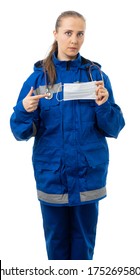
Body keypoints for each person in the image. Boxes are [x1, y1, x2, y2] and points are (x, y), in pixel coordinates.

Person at [10, 10, 125, 260]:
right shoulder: (39, 79)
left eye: (80, 34)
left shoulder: (96, 77)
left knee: (84, 248)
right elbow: (19, 132)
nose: (74, 40)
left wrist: (104, 105)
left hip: (87, 178)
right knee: (57, 248)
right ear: (56, 34)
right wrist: (24, 110)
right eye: (68, 33)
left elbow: (114, 128)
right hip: (53, 178)